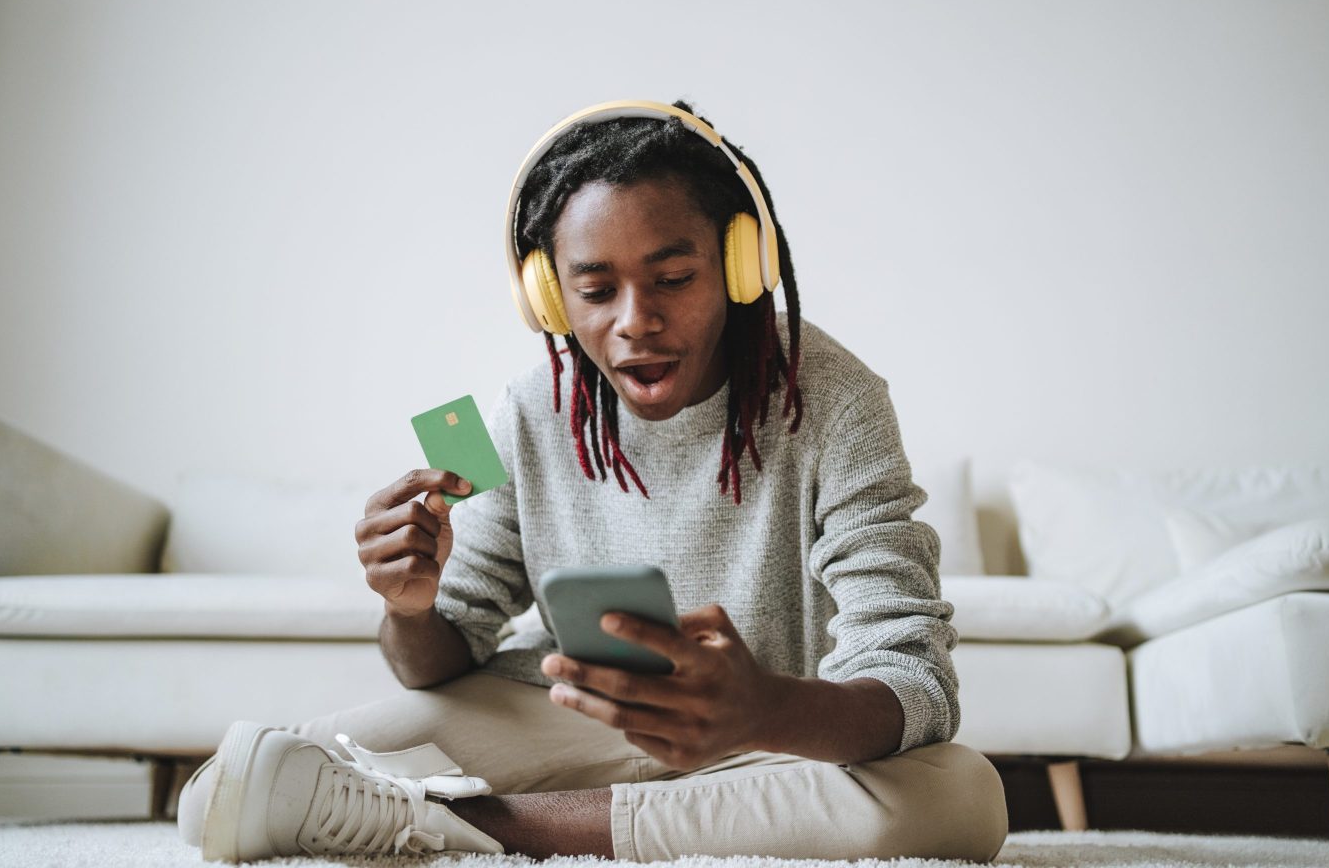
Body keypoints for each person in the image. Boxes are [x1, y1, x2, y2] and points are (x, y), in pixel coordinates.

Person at [176, 100, 1009, 862]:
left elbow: (914, 679)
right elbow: (436, 660)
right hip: (568, 717)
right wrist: (410, 607)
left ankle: (479, 825)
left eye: (673, 279)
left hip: (770, 737)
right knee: (228, 790)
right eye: (596, 290)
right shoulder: (524, 409)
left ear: (738, 265)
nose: (635, 321)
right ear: (548, 298)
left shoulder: (837, 398)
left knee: (961, 794)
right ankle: (649, 819)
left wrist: (761, 708)